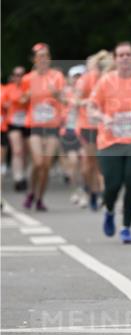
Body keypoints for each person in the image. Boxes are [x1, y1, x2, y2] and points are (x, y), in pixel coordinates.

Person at [89, 41, 131, 244]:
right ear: (115, 59)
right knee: (113, 184)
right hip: (110, 141)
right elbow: (91, 108)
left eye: (128, 55)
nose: (125, 58)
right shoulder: (105, 81)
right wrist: (103, 118)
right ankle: (109, 210)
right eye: (121, 55)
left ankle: (126, 227)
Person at [20, 43, 66, 211]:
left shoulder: (57, 77)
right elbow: (22, 102)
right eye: (40, 56)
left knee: (46, 164)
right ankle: (31, 192)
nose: (43, 59)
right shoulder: (27, 78)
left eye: (46, 55)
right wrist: (26, 97)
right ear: (34, 60)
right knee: (38, 162)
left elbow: (65, 100)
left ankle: (39, 198)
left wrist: (57, 95)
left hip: (52, 126)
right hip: (35, 125)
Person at [75, 50, 110, 210]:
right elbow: (76, 100)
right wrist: (90, 101)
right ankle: (91, 191)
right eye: (100, 65)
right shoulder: (86, 79)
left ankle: (103, 192)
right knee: (90, 161)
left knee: (103, 161)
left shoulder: (110, 79)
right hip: (87, 125)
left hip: (104, 125)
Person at [60, 65, 86, 204]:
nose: (78, 79)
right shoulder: (66, 92)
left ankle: (85, 190)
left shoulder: (88, 92)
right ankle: (77, 190)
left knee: (85, 162)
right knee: (73, 162)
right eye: (75, 76)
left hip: (83, 130)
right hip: (69, 131)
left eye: (80, 76)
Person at [5, 66, 30, 191]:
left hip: (27, 123)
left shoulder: (29, 87)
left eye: (21, 74)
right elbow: (19, 100)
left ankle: (23, 174)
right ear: (13, 76)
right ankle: (18, 178)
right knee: (17, 151)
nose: (19, 77)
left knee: (25, 152)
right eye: (16, 74)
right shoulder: (9, 88)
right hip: (13, 123)